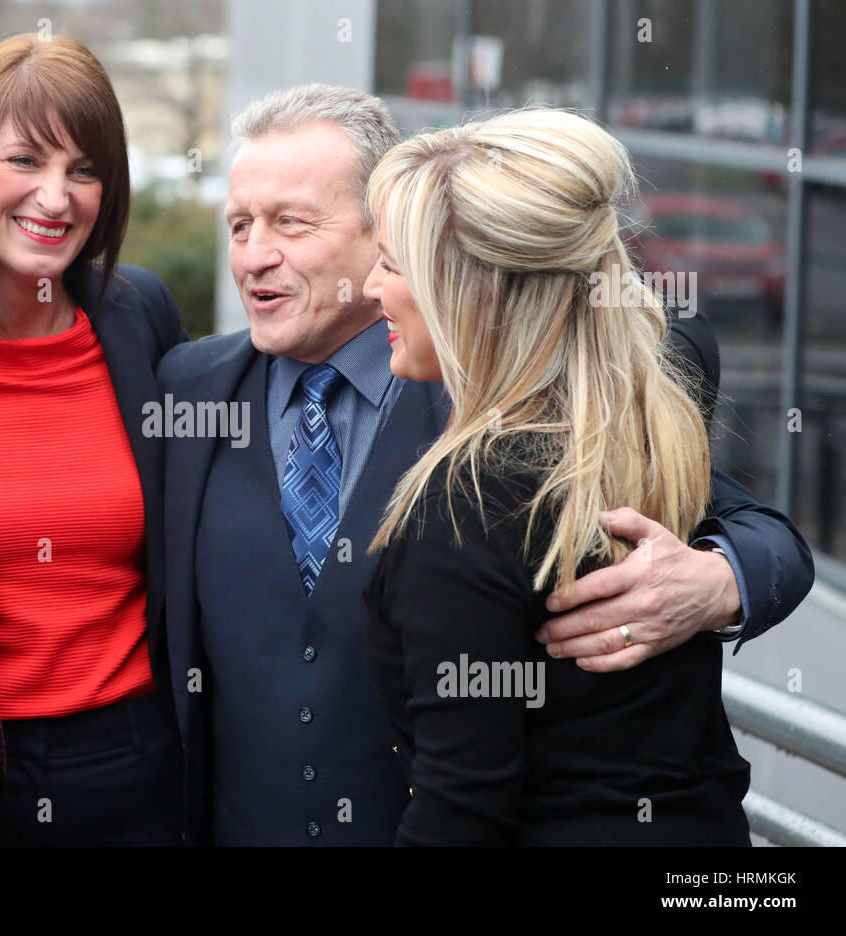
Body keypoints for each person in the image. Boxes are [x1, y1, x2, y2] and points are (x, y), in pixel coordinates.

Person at [157, 85, 814, 846]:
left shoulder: (531, 400)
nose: (252, 254)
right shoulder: (188, 390)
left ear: (385, 233)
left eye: (290, 223)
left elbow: (762, 533)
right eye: (238, 224)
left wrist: (715, 581)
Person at [361, 107, 771, 845]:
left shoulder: (464, 507)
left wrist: (728, 579)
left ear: (467, 292)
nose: (368, 287)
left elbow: (460, 813)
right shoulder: (655, 398)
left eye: (391, 264)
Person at [0, 33, 186, 846]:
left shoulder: (138, 317)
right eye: (26, 160)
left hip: (133, 764)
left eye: (84, 171)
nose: (56, 197)